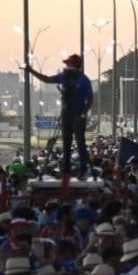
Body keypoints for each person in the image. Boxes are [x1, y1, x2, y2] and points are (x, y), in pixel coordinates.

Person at [27, 54, 93, 182]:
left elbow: (90, 100)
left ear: (74, 66)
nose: (66, 66)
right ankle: (66, 171)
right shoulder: (64, 77)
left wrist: (83, 114)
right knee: (66, 144)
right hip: (66, 115)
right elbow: (46, 79)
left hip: (78, 116)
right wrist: (31, 71)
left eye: (68, 64)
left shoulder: (84, 80)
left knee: (80, 144)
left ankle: (84, 169)